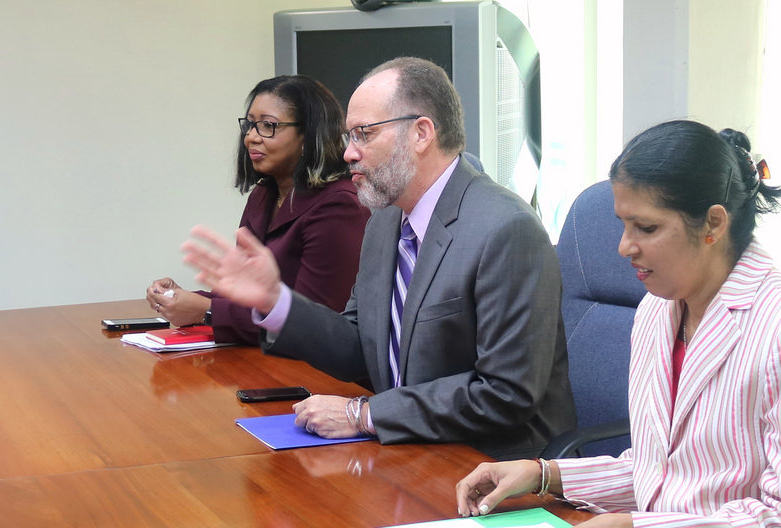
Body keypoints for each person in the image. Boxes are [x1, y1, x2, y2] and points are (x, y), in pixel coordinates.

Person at [453, 121, 781, 528]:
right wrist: (544, 474)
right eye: (624, 225)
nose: (624, 247)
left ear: (713, 224)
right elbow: (662, 474)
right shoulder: (657, 310)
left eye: (645, 228)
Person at [183, 57, 573, 457]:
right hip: (408, 448)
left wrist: (364, 414)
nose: (349, 153)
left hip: (490, 464)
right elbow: (361, 348)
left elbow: (505, 394)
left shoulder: (506, 229)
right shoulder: (385, 221)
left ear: (421, 133)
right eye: (349, 136)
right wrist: (275, 301)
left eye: (363, 134)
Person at [146, 75, 366, 345]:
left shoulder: (339, 205)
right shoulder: (263, 195)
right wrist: (185, 299)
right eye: (250, 125)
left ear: (307, 135)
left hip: (313, 374)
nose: (251, 137)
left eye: (268, 126)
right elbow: (241, 295)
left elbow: (316, 320)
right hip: (259, 361)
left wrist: (205, 311)